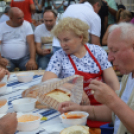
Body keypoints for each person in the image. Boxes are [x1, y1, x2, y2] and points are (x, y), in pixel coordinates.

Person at [42, 17, 120, 128]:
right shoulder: (59, 56)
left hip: (101, 109)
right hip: (74, 111)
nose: (62, 44)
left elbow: (113, 82)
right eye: (60, 40)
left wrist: (119, 106)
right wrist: (73, 88)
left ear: (80, 37)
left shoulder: (97, 52)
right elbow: (46, 81)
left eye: (66, 40)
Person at [58, 22, 134, 134]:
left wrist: (112, 100)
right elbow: (115, 113)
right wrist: (79, 110)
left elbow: (117, 107)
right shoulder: (128, 75)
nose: (109, 58)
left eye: (115, 51)